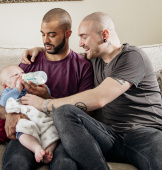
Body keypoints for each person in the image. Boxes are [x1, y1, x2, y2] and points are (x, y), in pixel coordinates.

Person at [21, 12, 162, 170]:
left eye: (84, 37)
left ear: (104, 35)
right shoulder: (94, 59)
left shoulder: (132, 57)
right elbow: (67, 55)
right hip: (110, 136)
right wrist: (42, 50)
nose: (80, 43)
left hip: (145, 135)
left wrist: (45, 103)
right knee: (64, 112)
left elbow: (99, 98)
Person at [0, 8, 94, 170]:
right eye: (43, 34)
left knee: (65, 165)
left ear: (68, 34)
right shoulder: (30, 62)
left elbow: (87, 115)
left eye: (52, 35)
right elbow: (2, 102)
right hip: (29, 129)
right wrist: (11, 114)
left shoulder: (83, 67)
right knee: (16, 163)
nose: (45, 40)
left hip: (61, 133)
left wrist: (47, 100)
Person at [0, 65, 58, 163]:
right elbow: (4, 102)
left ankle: (48, 151)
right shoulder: (8, 92)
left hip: (41, 117)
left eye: (22, 73)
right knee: (23, 129)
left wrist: (42, 89)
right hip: (25, 118)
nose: (21, 76)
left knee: (52, 129)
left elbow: (47, 95)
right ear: (5, 86)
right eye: (16, 75)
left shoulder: (29, 86)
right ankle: (36, 148)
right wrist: (17, 89)